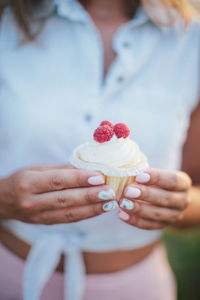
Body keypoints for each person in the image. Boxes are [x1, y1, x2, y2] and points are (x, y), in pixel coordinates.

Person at [0, 0, 199, 299]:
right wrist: (4, 199)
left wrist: (181, 206)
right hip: (11, 278)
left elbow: (195, 188)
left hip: (136, 289)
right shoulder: (6, 21)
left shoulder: (190, 40)